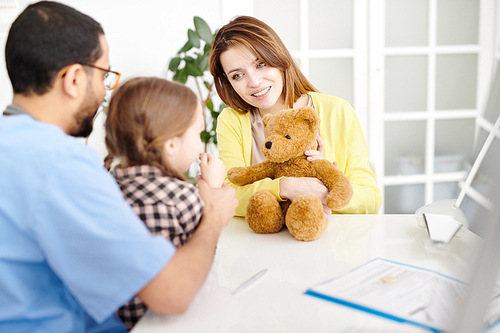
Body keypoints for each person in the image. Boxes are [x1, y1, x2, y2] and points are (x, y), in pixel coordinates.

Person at [0, 2, 237, 332]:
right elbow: (172, 294)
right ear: (73, 79)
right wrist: (213, 215)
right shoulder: (59, 163)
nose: (103, 90)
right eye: (104, 75)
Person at [209, 15, 381, 218]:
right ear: (229, 82)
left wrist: (324, 189)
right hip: (261, 241)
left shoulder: (337, 111)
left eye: (260, 64)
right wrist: (286, 187)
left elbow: (371, 199)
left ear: (279, 58)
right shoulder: (232, 121)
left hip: (330, 239)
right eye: (237, 75)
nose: (254, 82)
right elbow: (228, 195)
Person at [103, 77, 226, 330]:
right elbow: (206, 264)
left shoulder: (107, 189)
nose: (200, 140)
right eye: (197, 132)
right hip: (173, 322)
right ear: (171, 144)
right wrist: (212, 192)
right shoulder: (182, 196)